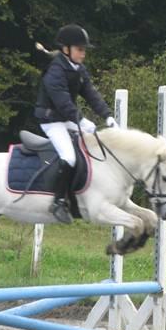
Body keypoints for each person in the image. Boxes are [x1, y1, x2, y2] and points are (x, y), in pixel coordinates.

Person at [34, 24, 117, 223]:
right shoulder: (55, 71)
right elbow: (63, 103)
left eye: (84, 50)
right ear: (66, 49)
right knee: (69, 157)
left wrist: (107, 116)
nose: (83, 54)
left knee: (92, 146)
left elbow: (91, 94)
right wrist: (82, 121)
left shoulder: (78, 69)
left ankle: (81, 195)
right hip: (51, 121)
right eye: (80, 50)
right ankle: (58, 201)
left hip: (65, 120)